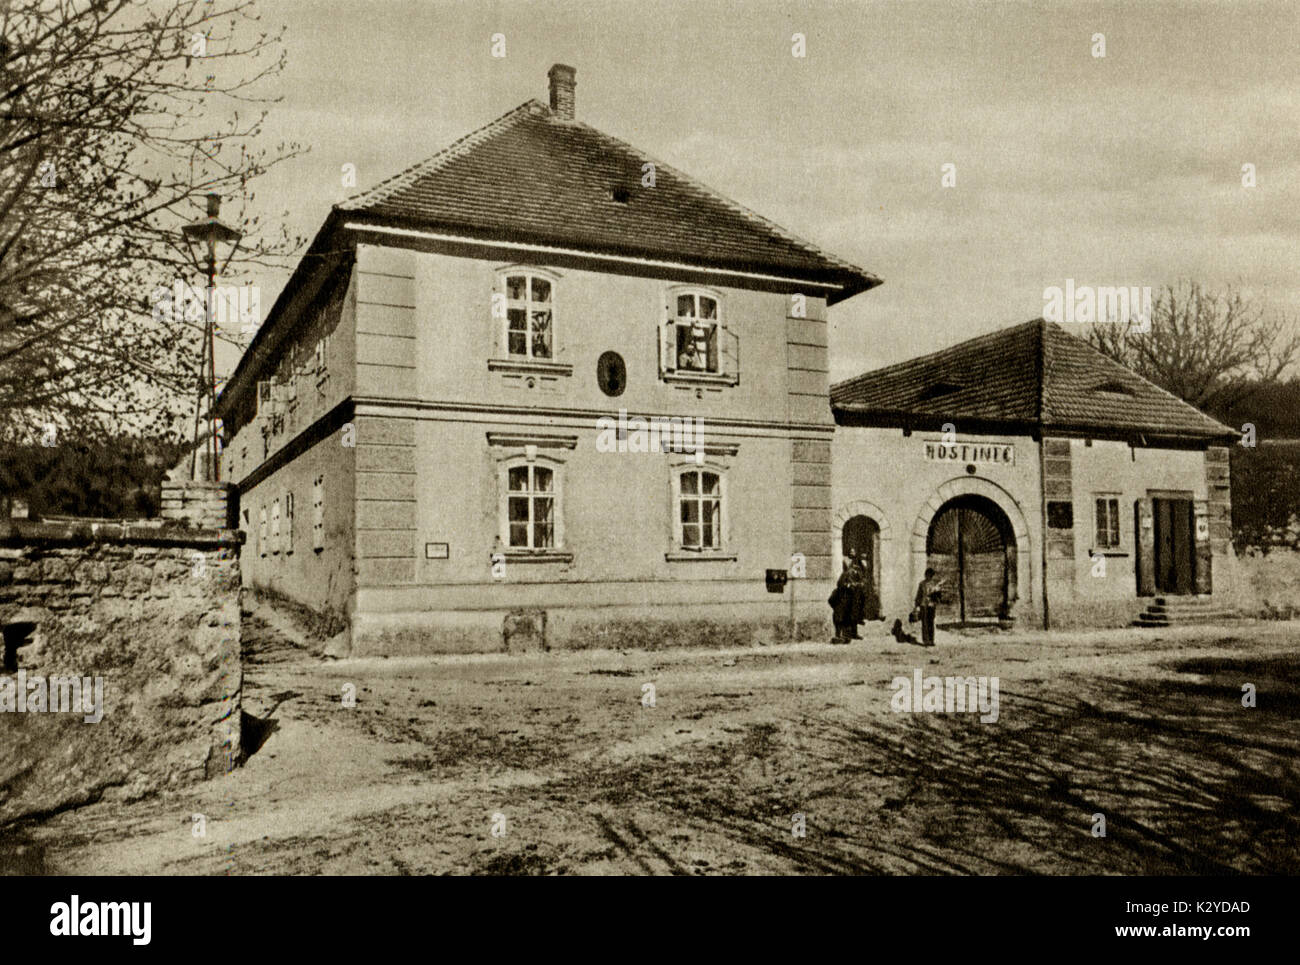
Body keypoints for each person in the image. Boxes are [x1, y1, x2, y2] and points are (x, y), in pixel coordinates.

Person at [828, 560, 856, 643]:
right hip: (842, 601)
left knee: (843, 619)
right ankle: (842, 636)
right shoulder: (846, 575)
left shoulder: (847, 574)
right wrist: (849, 586)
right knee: (841, 619)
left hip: (844, 601)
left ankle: (843, 636)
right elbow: (840, 584)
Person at [914, 567, 943, 646]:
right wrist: (916, 605)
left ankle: (931, 640)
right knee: (924, 623)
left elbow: (938, 596)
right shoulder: (922, 584)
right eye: (927, 575)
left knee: (931, 622)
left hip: (931, 605)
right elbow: (919, 595)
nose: (928, 576)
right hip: (923, 605)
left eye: (930, 575)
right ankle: (925, 640)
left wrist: (937, 596)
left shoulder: (935, 584)